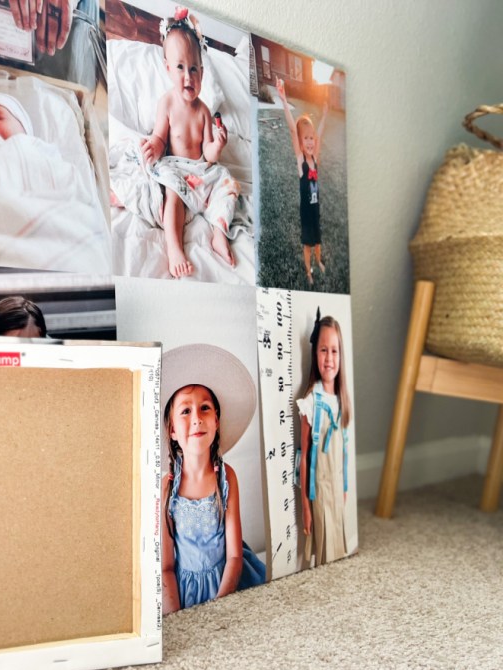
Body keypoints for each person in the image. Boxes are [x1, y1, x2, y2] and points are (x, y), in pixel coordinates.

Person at [110, 9, 240, 278]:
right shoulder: (167, 103)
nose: (188, 77)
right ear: (168, 69)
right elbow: (159, 136)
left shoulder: (204, 111)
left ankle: (218, 233)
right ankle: (174, 247)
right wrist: (156, 146)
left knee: (228, 183)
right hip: (176, 169)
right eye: (180, 67)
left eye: (194, 68)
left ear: (202, 73)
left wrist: (217, 146)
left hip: (200, 171)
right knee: (172, 193)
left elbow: (208, 155)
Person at [160, 344, 266, 614]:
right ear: (172, 430)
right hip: (183, 590)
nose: (196, 418)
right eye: (185, 411)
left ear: (216, 421)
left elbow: (234, 556)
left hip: (226, 582)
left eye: (205, 408)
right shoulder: (167, 486)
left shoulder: (226, 477)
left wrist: (221, 605)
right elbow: (166, 566)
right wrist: (176, 614)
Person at [296, 311, 352, 566]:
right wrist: (306, 507)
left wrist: (345, 487)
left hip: (337, 488)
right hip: (319, 491)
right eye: (323, 351)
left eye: (334, 351)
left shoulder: (342, 401)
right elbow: (305, 457)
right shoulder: (310, 403)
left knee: (339, 546)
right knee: (325, 552)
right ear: (315, 354)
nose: (329, 358)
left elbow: (343, 451)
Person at [276, 78, 329, 285]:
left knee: (318, 242)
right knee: (308, 244)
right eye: (305, 138)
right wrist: (283, 100)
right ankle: (309, 271)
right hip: (306, 215)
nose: (309, 141)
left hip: (315, 211)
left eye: (311, 138)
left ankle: (319, 261)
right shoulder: (302, 162)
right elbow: (292, 129)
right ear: (300, 141)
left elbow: (321, 134)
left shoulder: (314, 159)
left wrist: (324, 115)